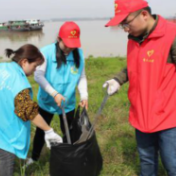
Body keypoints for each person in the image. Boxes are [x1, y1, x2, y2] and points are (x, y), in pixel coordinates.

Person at [103, 0, 176, 175]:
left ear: (144, 14)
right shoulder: (134, 39)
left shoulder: (172, 35)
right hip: (141, 114)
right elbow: (135, 66)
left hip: (168, 117)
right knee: (146, 160)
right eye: (122, 25)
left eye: (126, 23)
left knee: (171, 163)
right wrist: (118, 80)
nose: (125, 29)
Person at [26, 21, 88, 165]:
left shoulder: (78, 53)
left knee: (69, 131)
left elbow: (81, 76)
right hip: (47, 101)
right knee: (42, 130)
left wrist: (84, 95)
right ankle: (34, 157)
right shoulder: (46, 52)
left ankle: (68, 157)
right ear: (59, 39)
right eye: (66, 44)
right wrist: (54, 93)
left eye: (73, 45)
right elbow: (38, 76)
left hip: (68, 102)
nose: (69, 49)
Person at [0, 44, 63, 176]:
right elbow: (29, 111)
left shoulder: (3, 67)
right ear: (24, 62)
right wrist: (48, 130)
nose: (34, 71)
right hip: (6, 138)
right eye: (34, 66)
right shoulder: (19, 82)